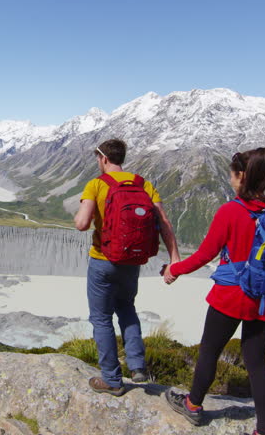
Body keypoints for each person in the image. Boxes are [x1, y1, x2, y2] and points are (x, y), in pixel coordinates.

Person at [163, 147, 265, 435]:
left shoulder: (231, 211)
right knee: (256, 363)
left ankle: (193, 405)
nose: (230, 179)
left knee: (209, 351)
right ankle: (264, 430)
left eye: (232, 174)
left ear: (241, 176)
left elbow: (204, 255)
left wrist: (173, 270)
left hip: (231, 295)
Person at [74, 138, 181, 396]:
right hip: (133, 262)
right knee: (126, 308)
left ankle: (111, 379)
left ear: (103, 158)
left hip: (103, 260)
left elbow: (82, 224)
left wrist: (80, 213)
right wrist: (175, 259)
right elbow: (164, 222)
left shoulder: (96, 184)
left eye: (97, 159)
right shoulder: (143, 184)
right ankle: (136, 366)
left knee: (101, 318)